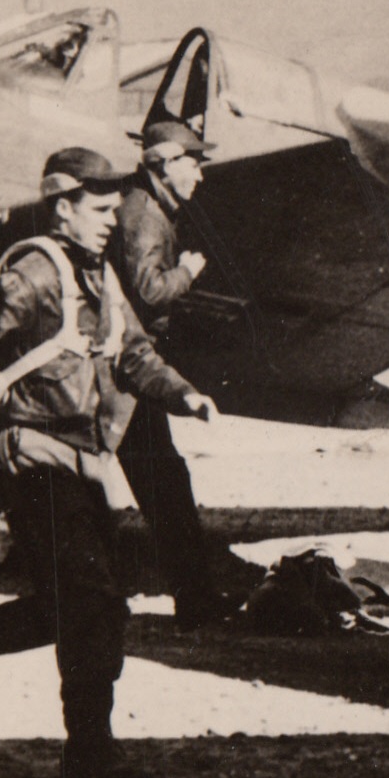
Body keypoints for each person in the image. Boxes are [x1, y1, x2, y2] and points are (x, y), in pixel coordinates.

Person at [0, 146, 216, 778]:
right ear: (63, 208)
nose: (113, 220)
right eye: (101, 209)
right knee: (92, 600)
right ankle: (89, 752)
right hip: (32, 460)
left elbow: (133, 353)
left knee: (88, 605)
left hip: (84, 463)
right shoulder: (35, 273)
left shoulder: (99, 277)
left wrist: (183, 395)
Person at [109, 119, 234, 625]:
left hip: (124, 362)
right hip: (127, 367)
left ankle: (194, 596)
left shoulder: (144, 206)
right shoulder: (145, 217)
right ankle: (195, 599)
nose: (200, 174)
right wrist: (190, 272)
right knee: (162, 480)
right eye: (193, 162)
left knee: (158, 477)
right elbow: (148, 291)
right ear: (164, 162)